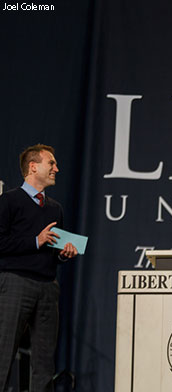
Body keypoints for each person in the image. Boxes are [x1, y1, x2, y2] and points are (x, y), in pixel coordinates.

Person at [0, 144, 78, 392]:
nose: (57, 168)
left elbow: (53, 254)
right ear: (33, 167)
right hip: (15, 282)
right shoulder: (9, 200)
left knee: (44, 361)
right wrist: (36, 240)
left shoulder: (55, 208)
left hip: (47, 286)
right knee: (3, 353)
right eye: (51, 163)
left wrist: (65, 254)